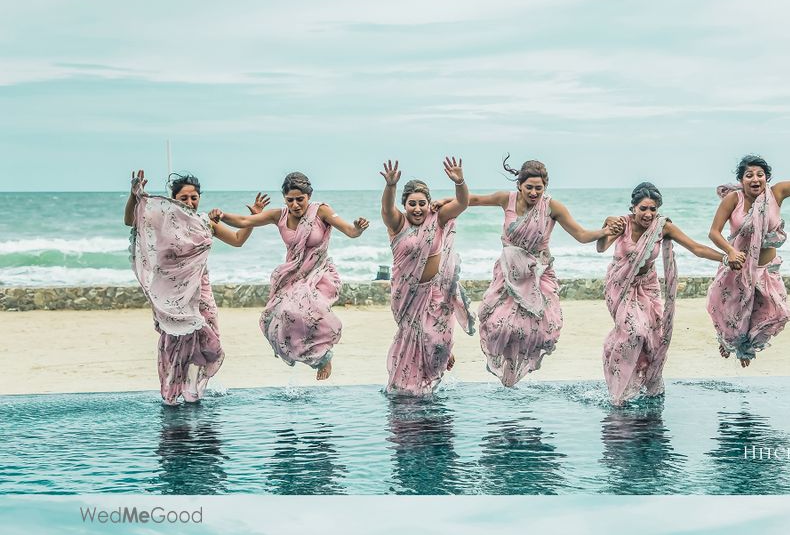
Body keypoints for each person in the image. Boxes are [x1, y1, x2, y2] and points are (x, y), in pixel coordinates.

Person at [469, 157, 621, 387]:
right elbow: (474, 200)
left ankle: (523, 362)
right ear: (519, 185)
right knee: (497, 324)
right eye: (529, 187)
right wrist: (442, 203)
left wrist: (605, 231)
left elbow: (580, 235)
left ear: (545, 187)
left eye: (538, 188)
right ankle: (507, 363)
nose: (533, 192)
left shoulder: (552, 207)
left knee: (543, 331)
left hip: (539, 273)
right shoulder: (505, 199)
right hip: (509, 273)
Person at [124, 170, 268, 404]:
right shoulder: (161, 220)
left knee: (210, 342)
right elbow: (130, 220)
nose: (190, 202)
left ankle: (192, 389)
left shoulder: (205, 222)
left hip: (200, 290)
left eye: (194, 197)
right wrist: (134, 196)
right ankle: (172, 392)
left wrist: (253, 217)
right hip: (172, 293)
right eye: (184, 198)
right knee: (174, 342)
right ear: (173, 198)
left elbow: (238, 240)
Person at [213, 172, 370, 380]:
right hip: (293, 275)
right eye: (290, 200)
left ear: (309, 196)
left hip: (319, 274)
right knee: (276, 318)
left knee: (307, 311)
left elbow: (349, 230)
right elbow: (244, 220)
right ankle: (315, 357)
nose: (295, 205)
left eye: (300, 199)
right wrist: (222, 216)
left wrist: (357, 228)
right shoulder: (279, 215)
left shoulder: (321, 211)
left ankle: (324, 355)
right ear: (284, 199)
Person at [706, 129, 790, 366]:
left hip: (766, 269)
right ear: (741, 180)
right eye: (749, 175)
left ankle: (747, 348)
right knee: (731, 310)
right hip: (739, 267)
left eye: (760, 175)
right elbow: (713, 233)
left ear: (767, 178)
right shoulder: (733, 199)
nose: (755, 179)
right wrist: (731, 251)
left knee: (772, 311)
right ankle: (727, 341)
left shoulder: (776, 194)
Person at [597, 182, 724, 406]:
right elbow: (601, 247)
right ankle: (619, 390)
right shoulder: (621, 224)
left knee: (653, 338)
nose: (648, 214)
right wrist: (606, 226)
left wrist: (727, 257)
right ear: (633, 207)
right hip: (620, 285)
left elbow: (697, 248)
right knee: (633, 331)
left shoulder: (662, 227)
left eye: (653, 209)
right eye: (643, 208)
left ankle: (647, 385)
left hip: (648, 286)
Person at [380, 158, 474, 397]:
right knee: (416, 337)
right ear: (405, 205)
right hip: (407, 294)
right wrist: (390, 187)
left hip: (435, 292)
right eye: (412, 203)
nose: (418, 208)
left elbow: (462, 203)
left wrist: (459, 181)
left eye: (422, 203)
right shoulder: (397, 224)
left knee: (437, 340)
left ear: (429, 203)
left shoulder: (437, 219)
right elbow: (386, 209)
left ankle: (440, 356)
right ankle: (406, 388)